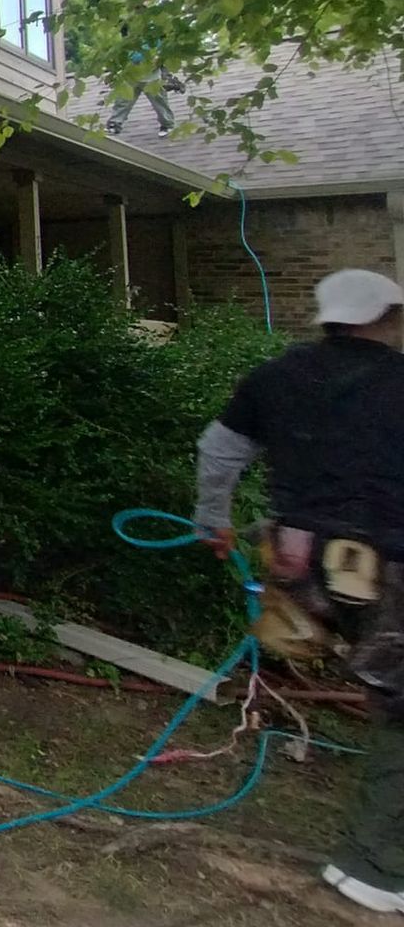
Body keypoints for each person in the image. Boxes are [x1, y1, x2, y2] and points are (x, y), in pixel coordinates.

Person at [196, 268, 404, 914]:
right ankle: (372, 867)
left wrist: (213, 523)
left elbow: (218, 452)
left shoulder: (274, 377)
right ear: (382, 317)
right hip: (388, 568)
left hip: (299, 567)